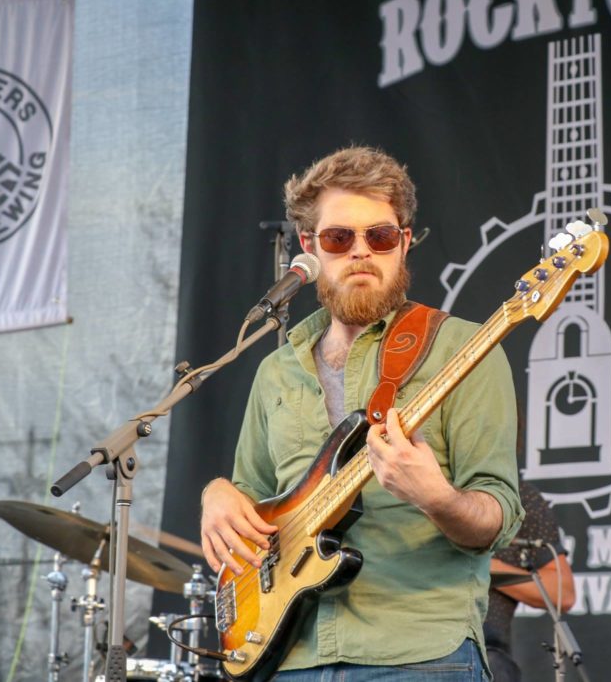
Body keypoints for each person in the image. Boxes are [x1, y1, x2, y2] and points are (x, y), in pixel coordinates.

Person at [200, 146, 523, 680]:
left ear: (403, 241)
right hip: (289, 657)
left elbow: (495, 520)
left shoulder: (465, 351)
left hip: (419, 655)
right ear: (309, 248)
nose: (361, 252)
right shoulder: (276, 371)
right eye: (338, 238)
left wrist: (435, 496)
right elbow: (255, 507)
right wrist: (218, 495)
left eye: (380, 236)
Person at [484, 481, 576, 682]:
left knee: (492, 666)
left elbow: (563, 592)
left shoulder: (519, 496)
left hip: (487, 649)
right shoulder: (409, 488)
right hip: (415, 641)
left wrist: (484, 565)